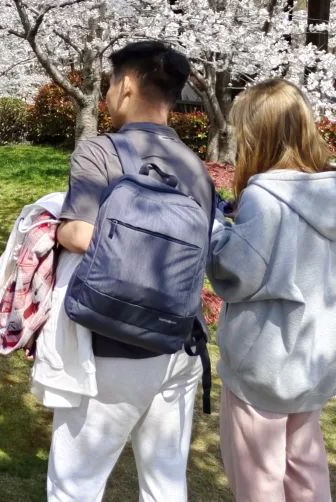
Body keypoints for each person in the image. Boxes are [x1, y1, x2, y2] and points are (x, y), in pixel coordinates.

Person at [49, 40, 213, 501]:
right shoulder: (195, 166)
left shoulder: (100, 152)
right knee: (164, 484)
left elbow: (79, 233)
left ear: (124, 87)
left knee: (75, 484)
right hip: (179, 342)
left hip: (111, 343)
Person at [208, 79, 336, 500]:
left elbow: (236, 275)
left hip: (267, 361)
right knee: (305, 470)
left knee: (259, 478)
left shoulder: (266, 196)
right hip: (317, 357)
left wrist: (213, 229)